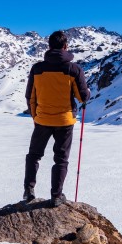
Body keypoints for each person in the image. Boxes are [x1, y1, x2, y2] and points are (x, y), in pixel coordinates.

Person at [23, 30, 90, 207]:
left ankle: (28, 190)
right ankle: (56, 195)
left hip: (42, 120)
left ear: (49, 46)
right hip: (65, 121)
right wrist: (87, 93)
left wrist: (35, 116)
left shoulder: (37, 69)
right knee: (61, 159)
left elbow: (30, 96)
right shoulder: (73, 69)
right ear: (65, 46)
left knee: (33, 155)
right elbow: (82, 97)